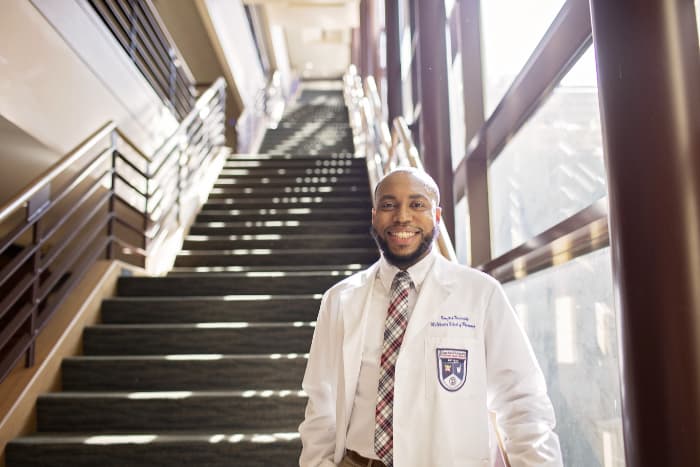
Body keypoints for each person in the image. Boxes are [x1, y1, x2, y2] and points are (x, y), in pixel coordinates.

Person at [299, 167, 563, 467]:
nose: (402, 216)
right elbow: (321, 402)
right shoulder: (340, 299)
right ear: (374, 216)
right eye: (389, 205)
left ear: (436, 217)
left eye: (417, 204)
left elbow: (522, 401)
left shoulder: (480, 293)